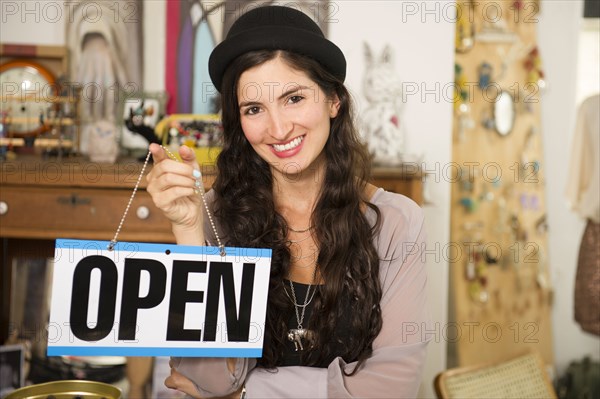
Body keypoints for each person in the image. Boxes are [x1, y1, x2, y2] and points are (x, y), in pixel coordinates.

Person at [146, 5, 431, 398]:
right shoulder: (212, 215)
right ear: (238, 122)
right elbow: (202, 382)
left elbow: (391, 389)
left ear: (334, 100)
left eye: (294, 98)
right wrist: (189, 232)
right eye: (254, 109)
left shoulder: (397, 224)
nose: (278, 129)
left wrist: (246, 393)